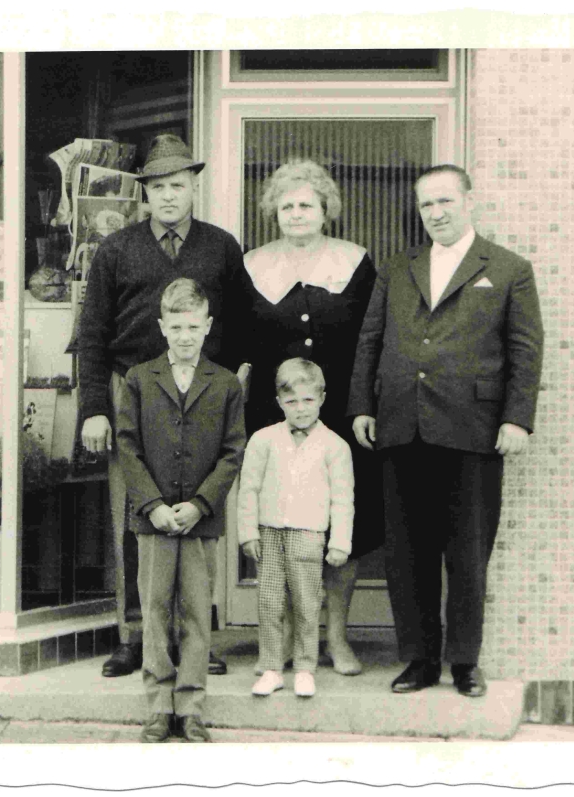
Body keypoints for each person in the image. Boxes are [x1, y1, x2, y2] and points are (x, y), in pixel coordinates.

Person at [347, 164, 544, 698]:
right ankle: (417, 659)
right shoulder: (398, 267)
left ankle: (463, 663)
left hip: (473, 430)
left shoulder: (507, 269)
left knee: (467, 552)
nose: (435, 213)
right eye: (426, 205)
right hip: (400, 426)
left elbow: (525, 352)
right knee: (406, 553)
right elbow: (371, 339)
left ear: (468, 201)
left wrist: (516, 418)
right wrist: (363, 405)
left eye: (444, 202)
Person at [78, 134, 247, 679]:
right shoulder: (117, 249)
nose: (168, 196)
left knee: (198, 517)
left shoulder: (221, 247)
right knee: (136, 518)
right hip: (134, 397)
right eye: (158, 188)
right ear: (144, 194)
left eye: (178, 185)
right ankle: (137, 637)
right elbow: (92, 333)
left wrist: (233, 385)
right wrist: (95, 409)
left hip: (199, 400)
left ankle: (195, 638)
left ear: (193, 187)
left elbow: (243, 326)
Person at [236, 160, 380, 676]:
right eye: (287, 204)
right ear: (274, 210)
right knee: (282, 522)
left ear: (325, 210)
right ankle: (288, 642)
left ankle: (335, 638)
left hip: (341, 414)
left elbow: (372, 340)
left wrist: (365, 405)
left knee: (345, 526)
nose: (297, 213)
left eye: (307, 204)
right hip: (271, 417)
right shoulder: (251, 265)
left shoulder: (355, 262)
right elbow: (236, 343)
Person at [114, 278, 246, 743]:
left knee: (195, 610)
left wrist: (201, 504)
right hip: (152, 521)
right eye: (176, 326)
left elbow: (233, 452)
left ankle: (190, 706)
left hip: (199, 519)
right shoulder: (139, 379)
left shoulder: (225, 382)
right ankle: (158, 706)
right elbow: (127, 446)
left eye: (194, 326)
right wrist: (152, 505)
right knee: (153, 609)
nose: (185, 336)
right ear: (162, 327)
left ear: (207, 326)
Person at [237, 359, 354, 698]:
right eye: (291, 402)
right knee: (270, 601)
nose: (300, 409)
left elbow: (342, 500)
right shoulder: (263, 440)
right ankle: (272, 666)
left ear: (321, 398)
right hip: (270, 533)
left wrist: (340, 542)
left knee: (306, 602)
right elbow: (249, 489)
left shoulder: (335, 446)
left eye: (307, 400)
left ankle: (305, 667)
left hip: (309, 534)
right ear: (278, 402)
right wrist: (248, 532)